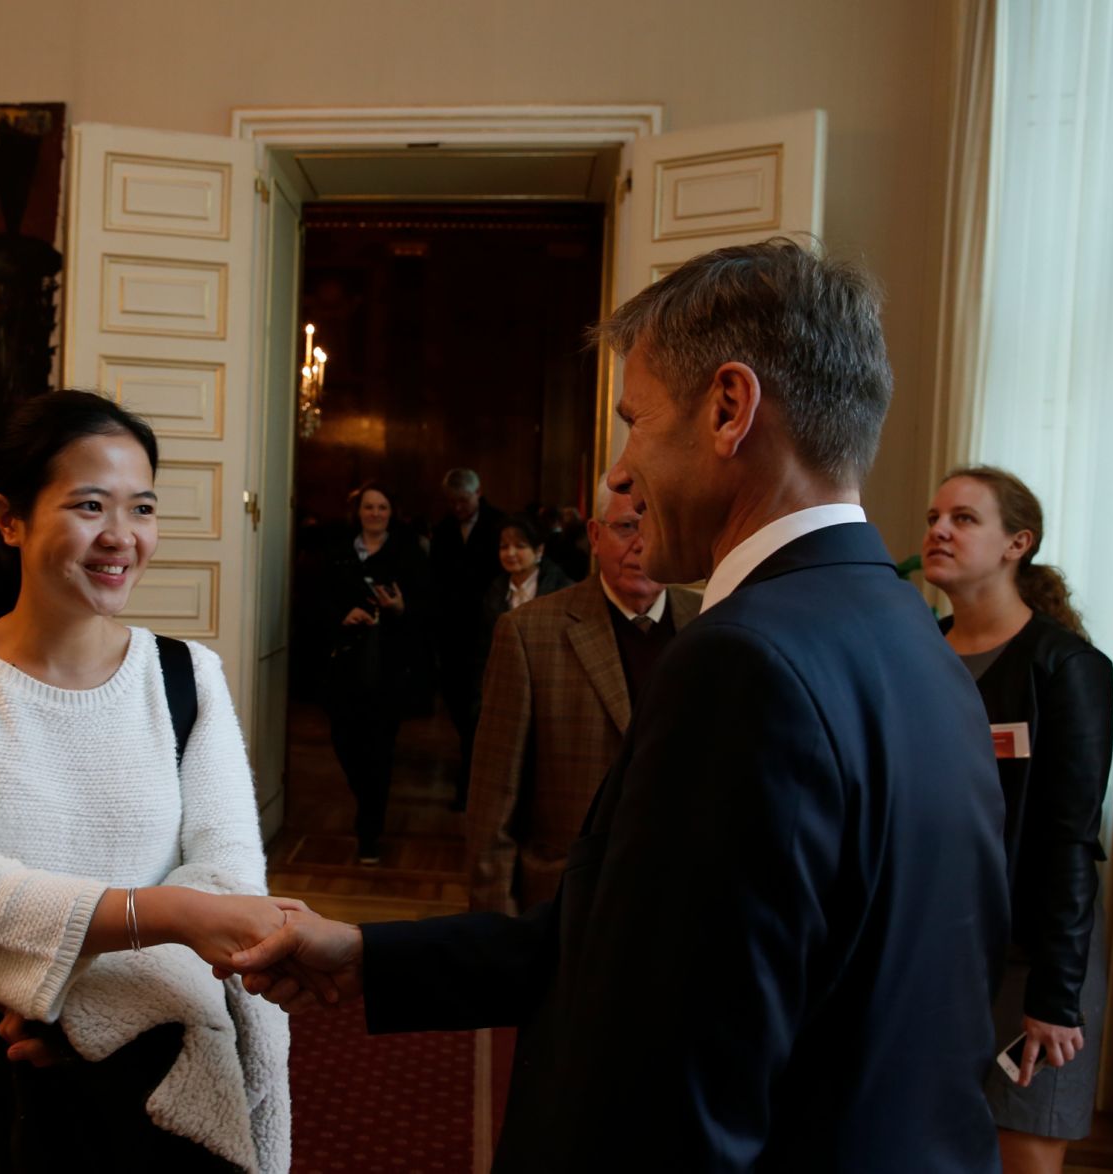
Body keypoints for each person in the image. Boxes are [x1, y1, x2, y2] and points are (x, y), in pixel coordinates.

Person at [224, 240, 1010, 1172]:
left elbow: (679, 1092)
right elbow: (627, 938)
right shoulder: (920, 642)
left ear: (729, 409)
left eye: (636, 420)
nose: (622, 472)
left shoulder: (745, 663)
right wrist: (365, 955)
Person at [0, 390, 290, 1173]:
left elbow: (228, 868)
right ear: (9, 519)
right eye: (91, 505)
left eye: (142, 509)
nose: (121, 537)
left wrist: (88, 1012)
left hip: (143, 1074)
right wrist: (165, 912)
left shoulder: (184, 676)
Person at [924, 466, 1113, 1174]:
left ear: (1017, 544)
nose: (939, 529)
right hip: (933, 947)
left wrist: (1057, 995)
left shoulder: (1067, 667)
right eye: (934, 515)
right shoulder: (915, 651)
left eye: (965, 518)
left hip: (1032, 953)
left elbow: (1071, 838)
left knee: (1023, 1154)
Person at [467, 483, 699, 913]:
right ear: (594, 536)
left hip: (680, 908)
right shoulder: (528, 632)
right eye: (628, 526)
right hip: (564, 906)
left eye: (660, 525)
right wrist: (494, 935)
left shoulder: (714, 624)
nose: (643, 544)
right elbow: (491, 809)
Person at [325, 482, 430, 863]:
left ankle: (370, 831)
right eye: (369, 507)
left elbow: (427, 609)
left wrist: (400, 609)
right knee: (344, 743)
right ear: (358, 511)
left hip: (388, 670)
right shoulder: (338, 550)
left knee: (380, 753)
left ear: (391, 512)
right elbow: (315, 598)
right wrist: (342, 615)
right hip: (344, 667)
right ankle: (366, 800)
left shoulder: (408, 552)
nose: (374, 514)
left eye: (382, 508)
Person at [429, 467, 505, 810]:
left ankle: (472, 787)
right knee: (460, 710)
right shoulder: (444, 529)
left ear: (478, 494)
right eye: (452, 502)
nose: (458, 507)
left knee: (481, 714)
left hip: (488, 630)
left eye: (463, 501)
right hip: (453, 635)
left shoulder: (498, 524)